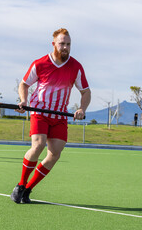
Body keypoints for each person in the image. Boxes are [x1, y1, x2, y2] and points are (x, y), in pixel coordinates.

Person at [10, 28, 91, 204]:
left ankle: (28, 189)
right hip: (40, 112)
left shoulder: (76, 67)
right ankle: (20, 185)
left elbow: (85, 92)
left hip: (60, 115)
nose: (65, 47)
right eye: (62, 44)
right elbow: (24, 85)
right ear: (53, 44)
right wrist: (24, 101)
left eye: (68, 44)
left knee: (55, 154)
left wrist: (82, 109)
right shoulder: (40, 64)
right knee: (38, 145)